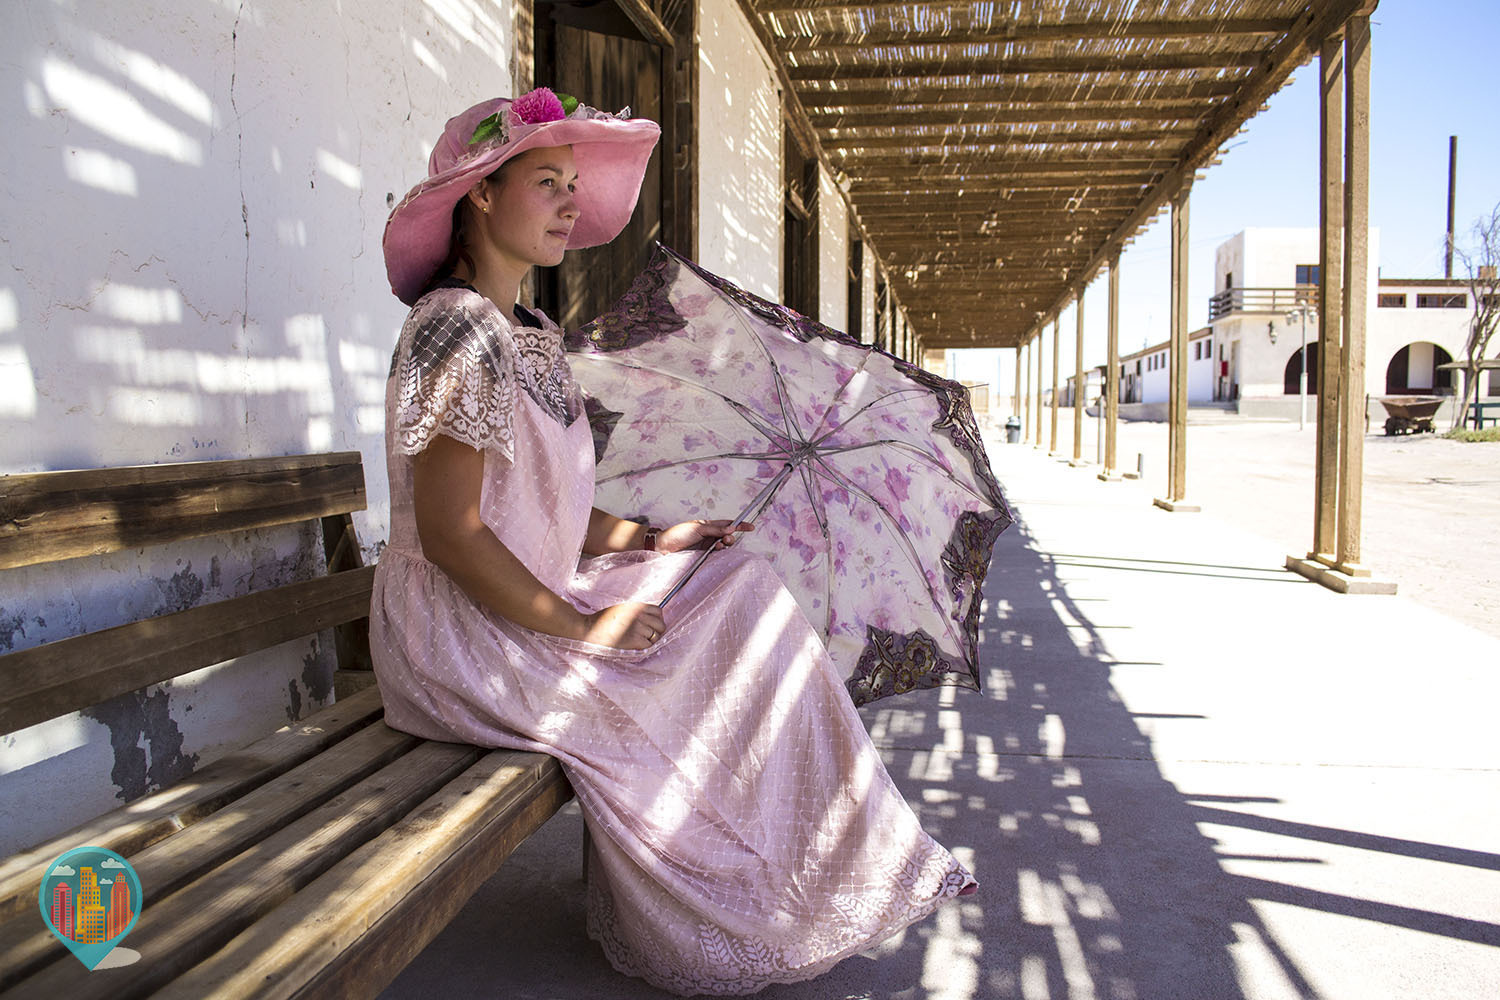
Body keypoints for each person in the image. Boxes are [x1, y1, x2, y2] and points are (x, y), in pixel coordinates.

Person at [373, 87, 975, 996]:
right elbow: (456, 539)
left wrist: (657, 536)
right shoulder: (453, 332)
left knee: (734, 582)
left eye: (575, 184)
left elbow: (546, 510)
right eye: (548, 181)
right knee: (693, 650)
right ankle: (742, 893)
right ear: (482, 195)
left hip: (523, 599)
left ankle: (816, 868)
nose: (572, 204)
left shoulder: (529, 333)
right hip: (461, 633)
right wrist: (588, 631)